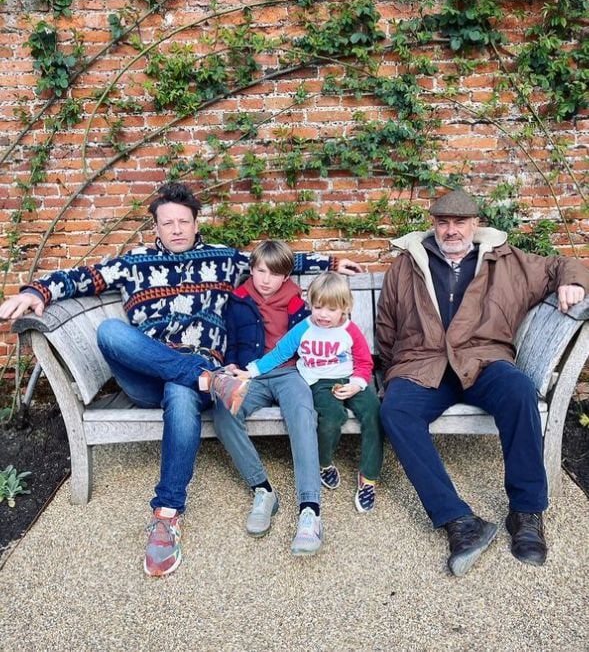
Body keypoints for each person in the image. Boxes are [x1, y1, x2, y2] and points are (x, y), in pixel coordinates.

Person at [0, 182, 361, 576]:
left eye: (183, 222)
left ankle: (167, 513)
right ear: (155, 226)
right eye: (167, 222)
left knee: (181, 388)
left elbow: (273, 264)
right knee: (111, 334)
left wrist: (330, 263)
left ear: (194, 222)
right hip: (147, 375)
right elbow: (83, 277)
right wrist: (37, 291)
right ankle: (203, 377)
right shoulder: (132, 262)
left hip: (190, 382)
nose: (176, 230)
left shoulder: (223, 260)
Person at [376, 188, 589, 577]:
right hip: (425, 364)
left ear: (476, 225)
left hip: (484, 360)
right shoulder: (407, 264)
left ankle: (526, 512)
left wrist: (572, 281)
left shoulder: (507, 261)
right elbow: (387, 326)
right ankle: (459, 521)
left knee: (519, 391)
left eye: (460, 222)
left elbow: (563, 264)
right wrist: (394, 371)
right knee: (396, 409)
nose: (451, 230)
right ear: (434, 225)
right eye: (443, 222)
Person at [221, 268, 381, 553]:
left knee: (373, 413)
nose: (322, 314)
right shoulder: (304, 326)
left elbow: (364, 361)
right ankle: (317, 466)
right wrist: (252, 371)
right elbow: (282, 351)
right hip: (318, 381)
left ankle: (362, 480)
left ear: (345, 308)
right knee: (331, 417)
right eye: (318, 306)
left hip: (348, 379)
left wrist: (357, 384)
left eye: (331, 309)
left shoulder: (349, 330)